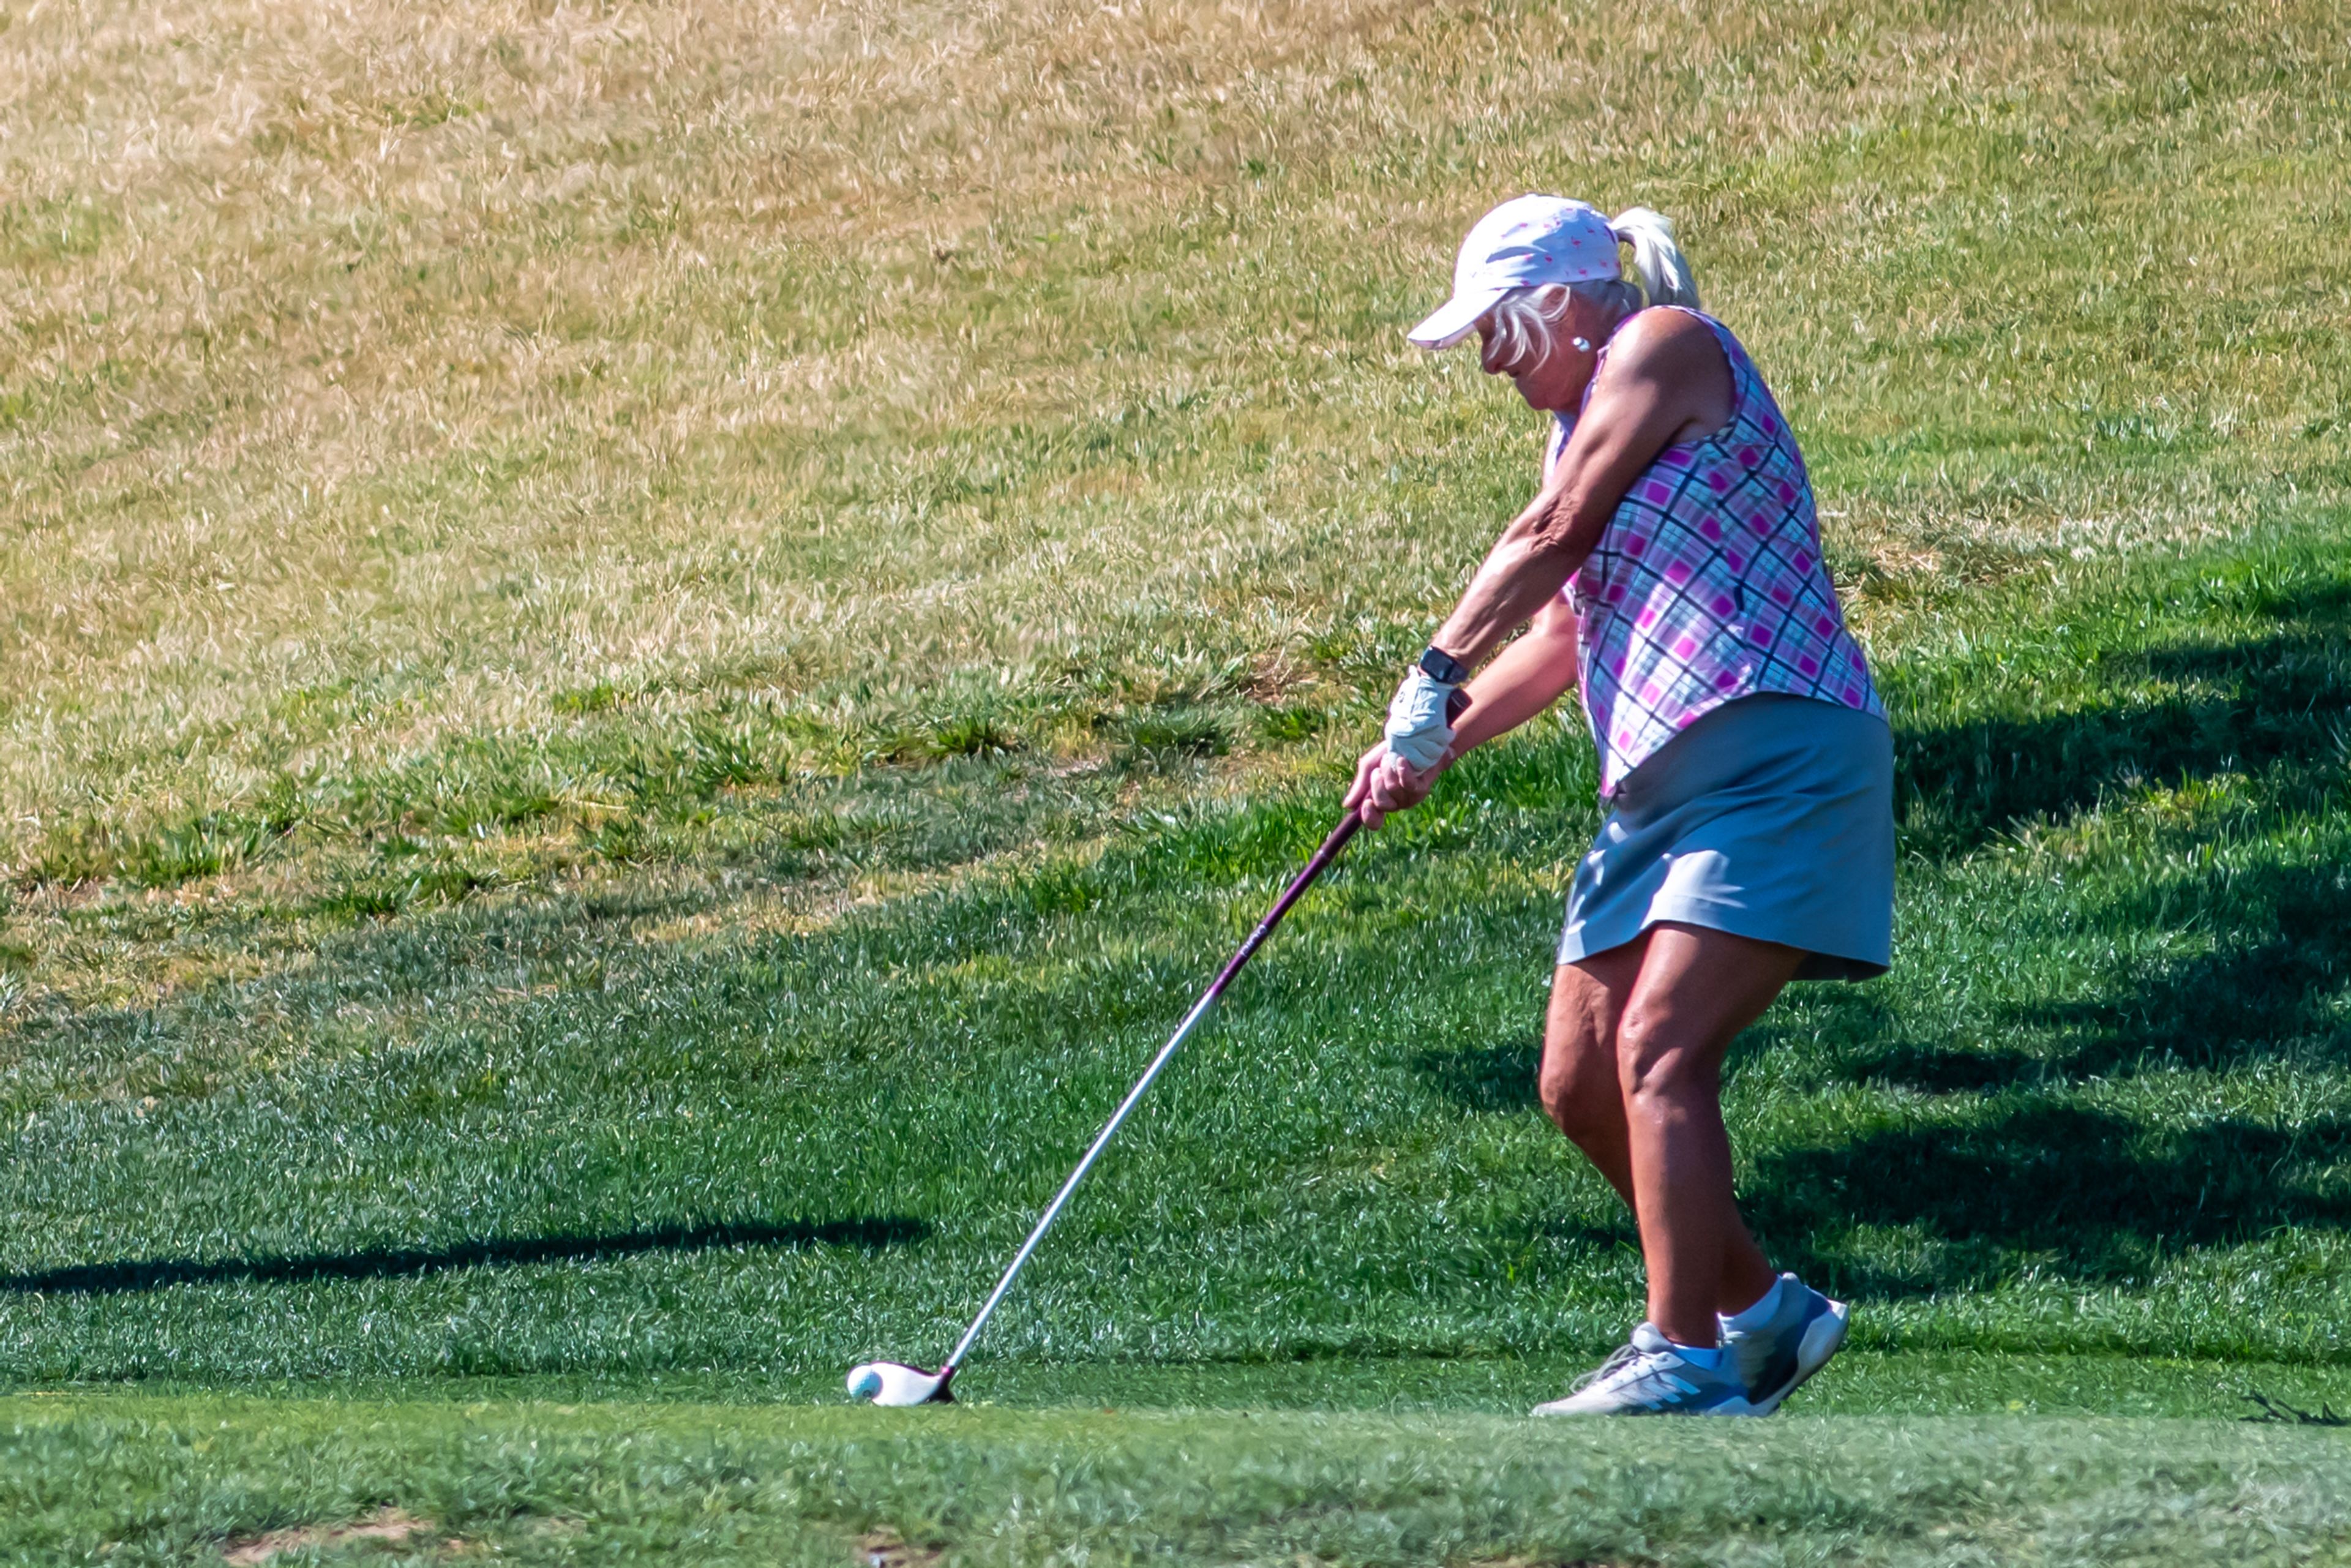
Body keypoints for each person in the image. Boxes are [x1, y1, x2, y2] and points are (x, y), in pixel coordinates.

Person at [1345, 195, 1893, 1416]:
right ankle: (1761, 1316)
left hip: (1774, 748)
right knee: (1581, 1078)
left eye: (1498, 330)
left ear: (1560, 302)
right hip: (1656, 787)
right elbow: (1557, 637)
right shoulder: (1574, 429)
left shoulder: (1668, 346)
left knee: (1660, 1047)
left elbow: (1553, 533)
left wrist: (1428, 673)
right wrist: (1437, 745)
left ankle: (1682, 1353)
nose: (1490, 361)